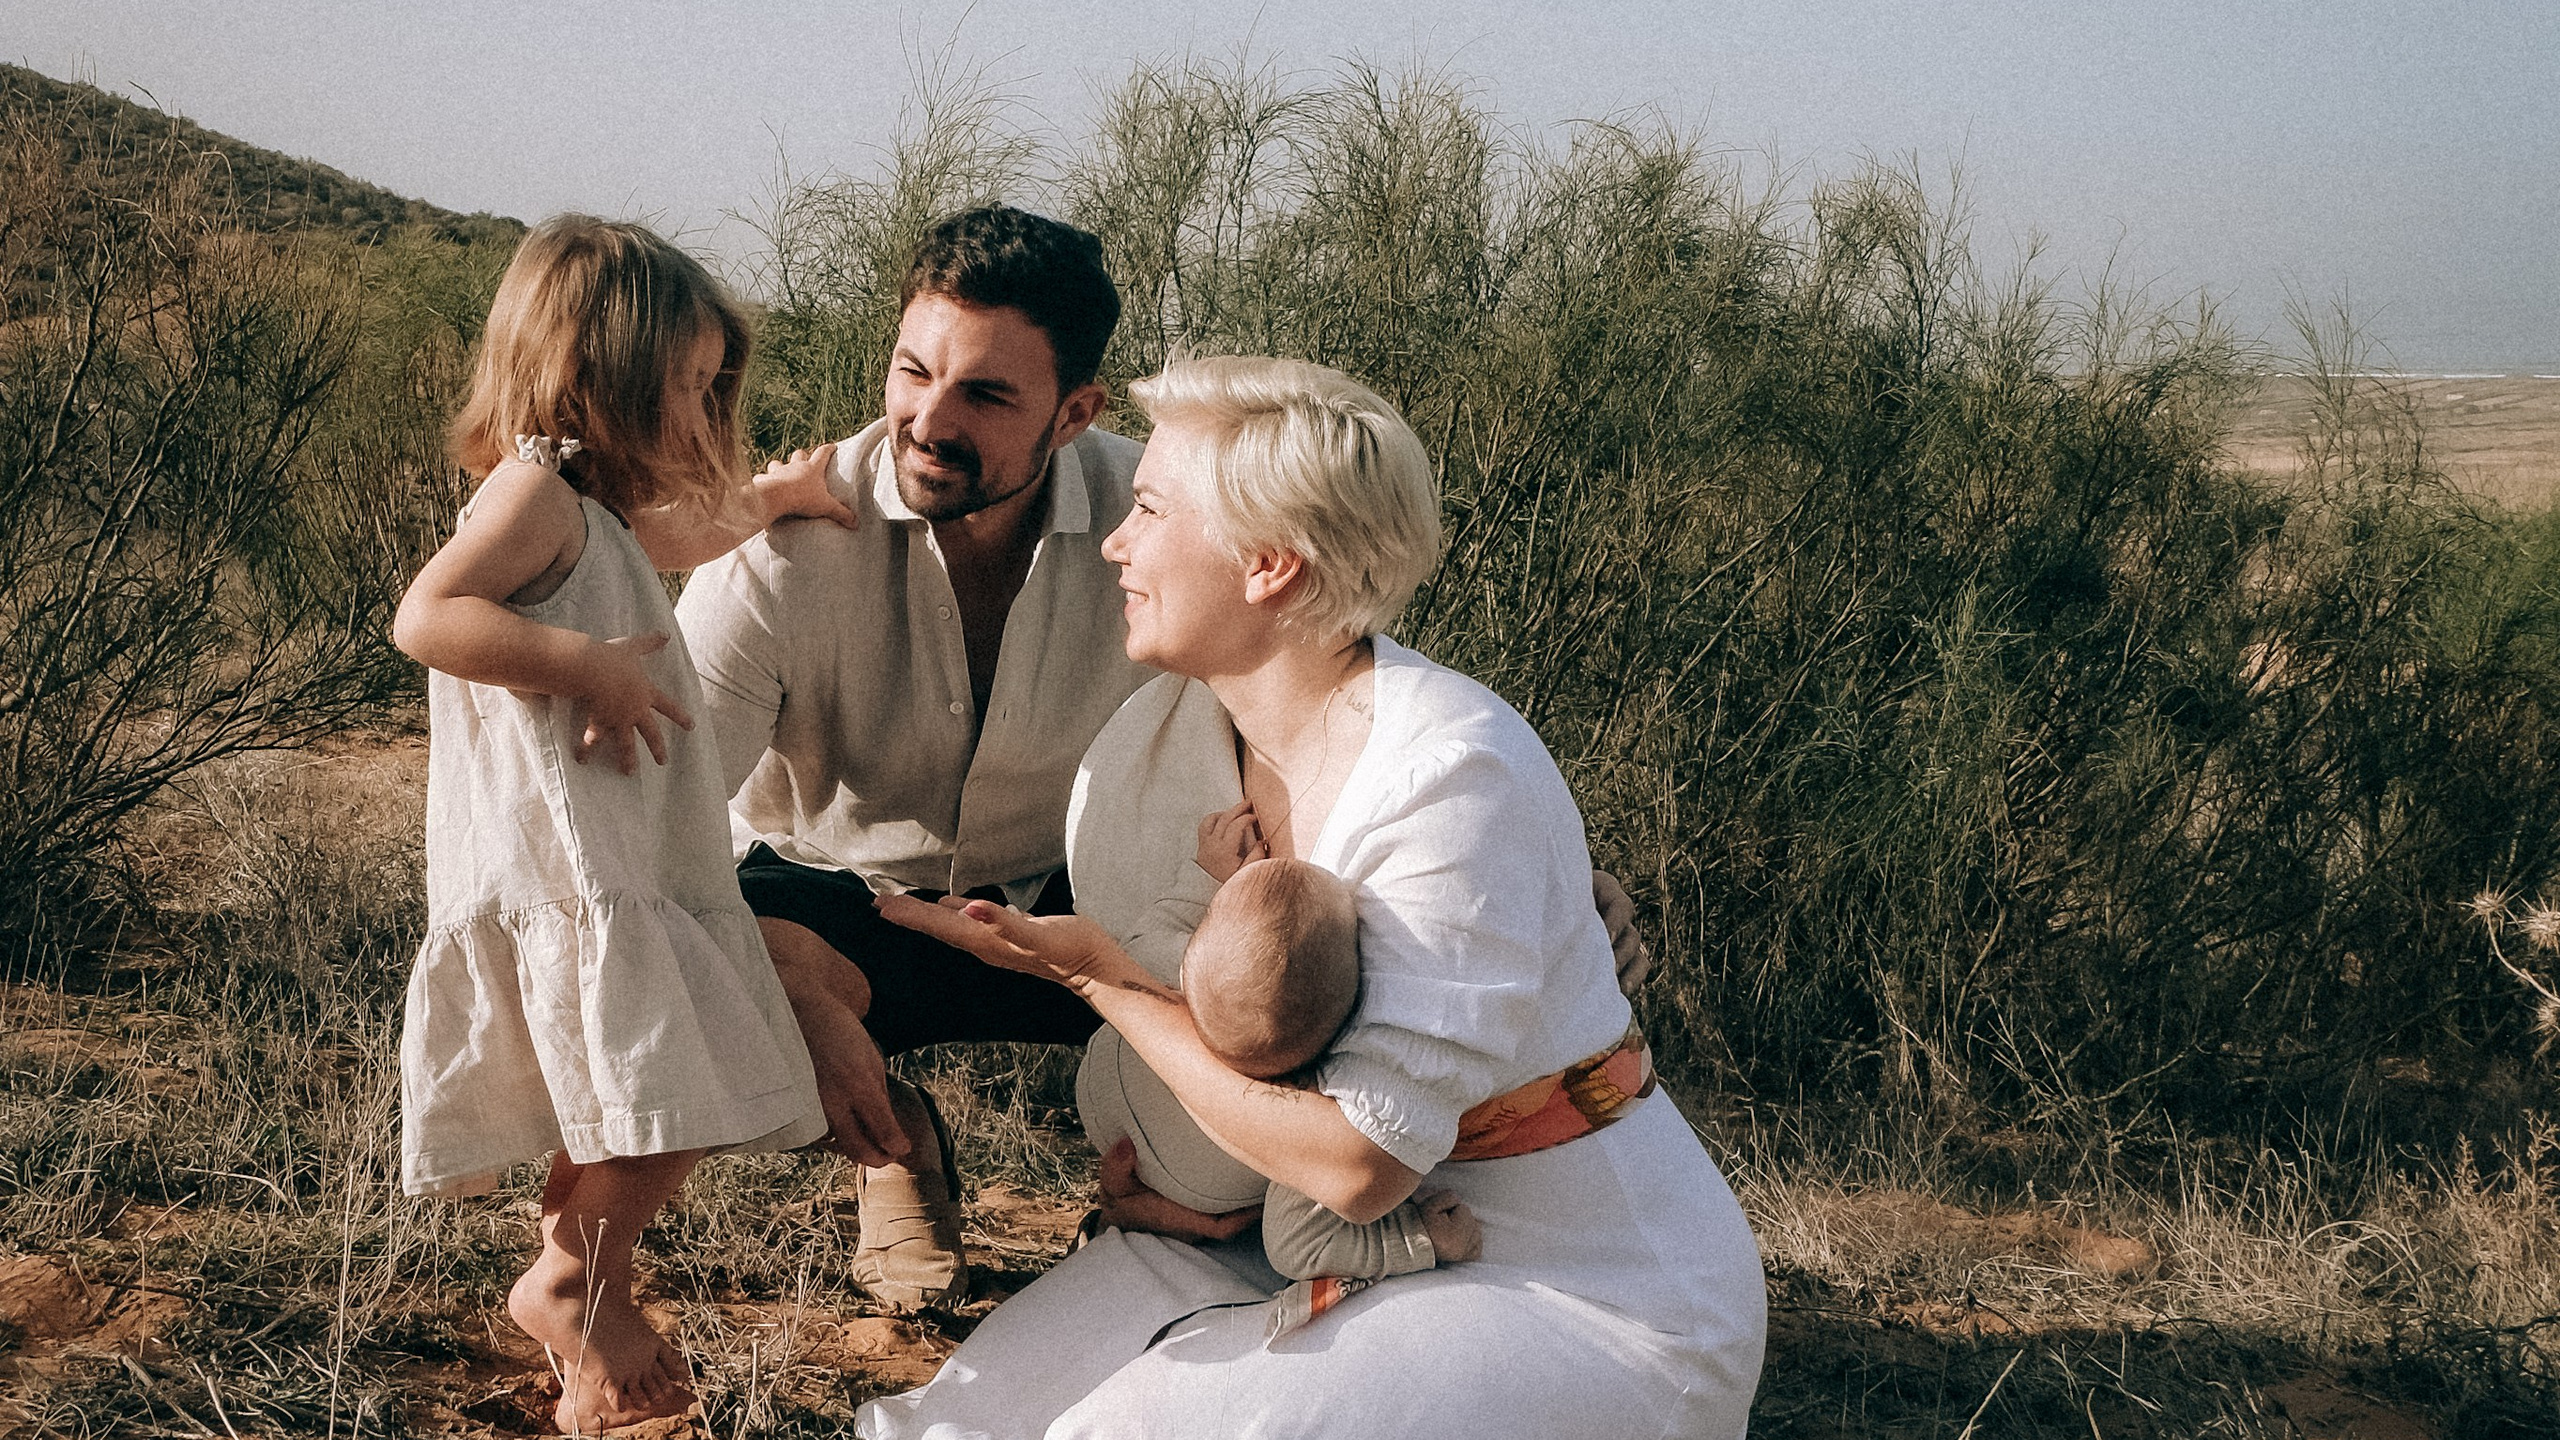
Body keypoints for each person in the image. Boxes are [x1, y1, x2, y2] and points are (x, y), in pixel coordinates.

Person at [675, 204, 1655, 1309]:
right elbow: (655, 828)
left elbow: (1328, 665)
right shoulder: (774, 554)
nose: (928, 420)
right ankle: (894, 1145)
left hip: (1084, 892)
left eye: (986, 395)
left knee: (1292, 970)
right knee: (712, 978)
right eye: (913, 372)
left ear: (1072, 413)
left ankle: (1201, 1197)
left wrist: (1540, 873)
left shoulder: (1173, 516)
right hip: (839, 895)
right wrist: (796, 1014)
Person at [862, 356, 1766, 1439]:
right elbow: (1239, 1077)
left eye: (1148, 509)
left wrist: (1092, 975)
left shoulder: (1450, 769)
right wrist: (1182, 1186)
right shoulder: (1159, 752)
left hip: (1572, 1282)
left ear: (1269, 565)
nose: (1116, 541)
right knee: (943, 1430)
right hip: (1272, 1233)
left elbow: (1357, 1162)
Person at [391, 215, 856, 1434]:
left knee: (635, 1103)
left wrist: (783, 498)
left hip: (631, 864)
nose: (706, 411)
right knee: (677, 1085)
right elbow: (429, 617)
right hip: (568, 870)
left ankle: (585, 1297)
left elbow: (683, 536)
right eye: (689, 386)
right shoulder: (533, 493)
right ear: (599, 376)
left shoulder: (591, 514)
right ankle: (567, 1282)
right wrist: (579, 665)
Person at [1076, 841, 1484, 1288]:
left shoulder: (1157, 964)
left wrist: (1205, 876)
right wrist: (1419, 1239)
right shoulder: (1305, 1110)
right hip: (1186, 1188)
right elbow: (1295, 1243)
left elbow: (1154, 929)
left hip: (1096, 1091)